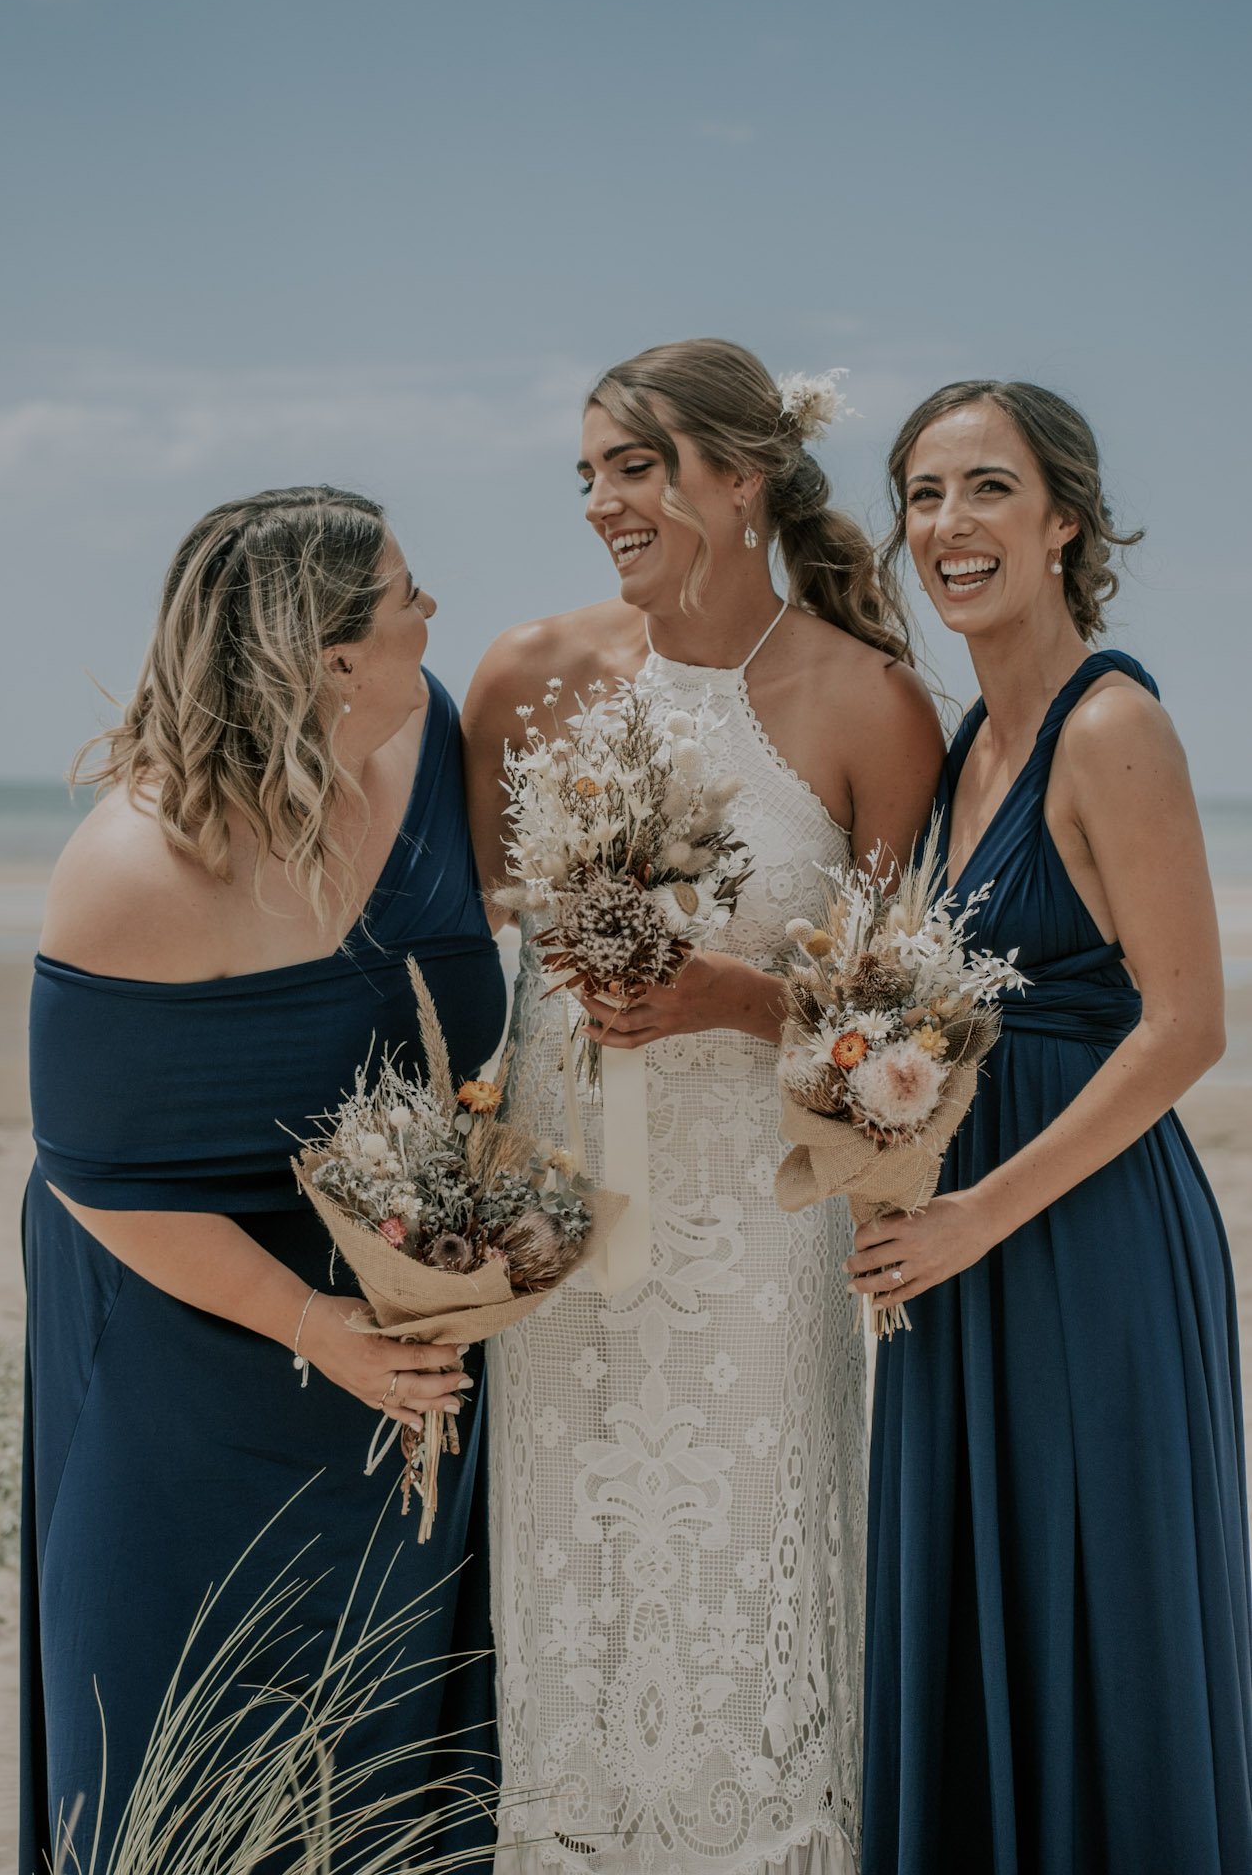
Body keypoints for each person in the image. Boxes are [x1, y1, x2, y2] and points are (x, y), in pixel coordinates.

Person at [463, 339, 944, 1872]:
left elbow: (907, 1027)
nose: (605, 499)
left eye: (638, 466)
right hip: (561, 1221)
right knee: (568, 1568)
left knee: (747, 1559)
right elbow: (458, 951)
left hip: (758, 1235)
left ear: (740, 480)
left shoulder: (872, 703)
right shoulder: (525, 672)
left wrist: (739, 1000)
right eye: (591, 471)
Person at [21, 486, 505, 1874]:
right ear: (328, 655)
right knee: (178, 1723)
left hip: (402, 1314)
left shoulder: (431, 736)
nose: (431, 612)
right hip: (185, 1327)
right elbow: (94, 1175)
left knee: (385, 1742)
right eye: (405, 591)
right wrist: (313, 1326)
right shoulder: (133, 868)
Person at [852, 382, 1252, 1874]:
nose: (946, 526)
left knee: (1106, 1610)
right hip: (961, 1245)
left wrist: (974, 1213)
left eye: (985, 489)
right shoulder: (966, 748)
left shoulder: (1112, 724)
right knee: (981, 1603)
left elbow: (1183, 1027)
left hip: (1076, 1241)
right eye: (921, 496)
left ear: (1062, 519)